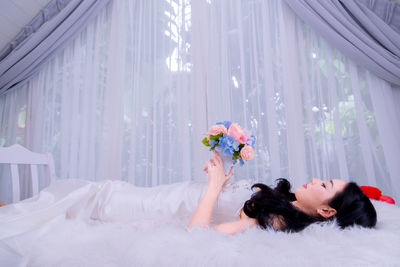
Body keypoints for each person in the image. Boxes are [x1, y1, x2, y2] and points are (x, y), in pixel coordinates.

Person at [188, 150, 377, 234]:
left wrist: (214, 185)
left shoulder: (273, 222)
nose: (314, 180)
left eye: (324, 185)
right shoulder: (289, 201)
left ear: (326, 211)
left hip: (182, 204)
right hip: (187, 194)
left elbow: (197, 236)